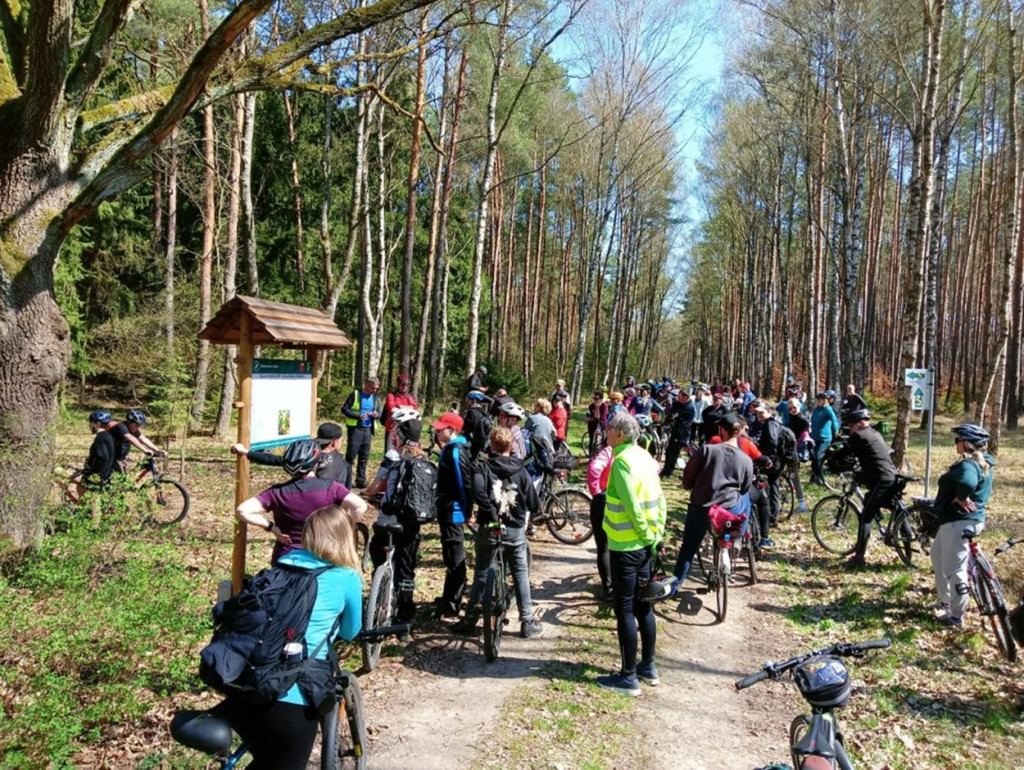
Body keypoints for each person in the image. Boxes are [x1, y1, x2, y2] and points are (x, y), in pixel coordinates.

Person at [229, 505, 362, 770]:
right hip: (292, 697)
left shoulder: (281, 567)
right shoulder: (346, 577)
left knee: (266, 759)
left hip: (245, 685)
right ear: (345, 537)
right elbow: (350, 632)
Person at [596, 412, 667, 697]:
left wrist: (647, 536)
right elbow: (659, 500)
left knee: (624, 609)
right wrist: (656, 536)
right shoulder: (644, 456)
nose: (606, 431)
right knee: (643, 605)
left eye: (610, 428)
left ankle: (628, 677)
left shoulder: (622, 462)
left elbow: (632, 506)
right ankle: (647, 667)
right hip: (646, 544)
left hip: (627, 546)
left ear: (621, 434)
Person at [454, 426, 542, 639]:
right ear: (511, 447)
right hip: (514, 529)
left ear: (490, 446)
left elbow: (477, 491)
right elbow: (533, 503)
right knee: (520, 571)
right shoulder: (521, 472)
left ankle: (470, 618)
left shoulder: (482, 468)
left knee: (482, 571)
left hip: (489, 526)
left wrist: (492, 513)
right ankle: (527, 621)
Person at [235, 438, 367, 566]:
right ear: (315, 463)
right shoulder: (331, 488)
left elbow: (242, 510)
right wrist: (342, 528)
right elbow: (360, 506)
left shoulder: (277, 492)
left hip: (286, 559)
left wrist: (271, 527)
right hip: (323, 557)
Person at [672, 413, 754, 585]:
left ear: (721, 430)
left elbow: (688, 476)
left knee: (688, 548)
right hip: (729, 510)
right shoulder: (746, 459)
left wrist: (688, 486)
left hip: (702, 507)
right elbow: (745, 487)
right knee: (746, 500)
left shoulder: (707, 450)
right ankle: (737, 538)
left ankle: (675, 586)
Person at [364, 410, 429, 624]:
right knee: (406, 567)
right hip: (411, 522)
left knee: (377, 552)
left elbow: (374, 488)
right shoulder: (424, 458)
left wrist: (366, 493)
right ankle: (405, 615)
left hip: (388, 519)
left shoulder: (393, 456)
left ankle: (380, 595)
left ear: (400, 435)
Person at [930, 424, 996, 630]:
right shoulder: (983, 462)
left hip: (959, 522)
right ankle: (945, 600)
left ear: (966, 443)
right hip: (957, 521)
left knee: (955, 568)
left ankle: (956, 615)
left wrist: (961, 497)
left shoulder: (969, 465)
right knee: (937, 555)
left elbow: (967, 482)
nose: (955, 443)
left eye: (957, 440)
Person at [830, 409, 897, 569]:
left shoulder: (859, 436)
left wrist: (833, 459)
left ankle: (859, 558)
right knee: (892, 506)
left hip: (881, 479)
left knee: (865, 516)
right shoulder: (875, 433)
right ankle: (906, 539)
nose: (850, 429)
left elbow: (846, 452)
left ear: (859, 424)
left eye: (851, 426)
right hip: (892, 476)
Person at [432, 412, 474, 618]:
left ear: (452, 430)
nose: (437, 431)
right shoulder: (448, 449)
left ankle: (453, 604)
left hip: (454, 512)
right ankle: (449, 597)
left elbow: (463, 483)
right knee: (449, 556)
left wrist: (467, 511)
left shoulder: (456, 452)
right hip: (446, 509)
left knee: (456, 557)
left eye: (441, 428)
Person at [233, 422, 351, 487]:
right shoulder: (343, 465)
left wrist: (246, 452)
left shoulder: (305, 457)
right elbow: (345, 492)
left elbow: (272, 459)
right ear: (334, 442)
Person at [341, 377, 382, 488]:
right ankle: (346, 481)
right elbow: (344, 409)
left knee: (364, 457)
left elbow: (380, 413)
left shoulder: (375, 398)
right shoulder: (355, 394)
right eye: (373, 388)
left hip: (368, 430)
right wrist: (358, 416)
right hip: (355, 429)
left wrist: (376, 415)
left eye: (376, 389)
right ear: (367, 385)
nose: (374, 391)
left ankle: (360, 481)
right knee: (350, 457)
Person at [586, 443, 614, 600]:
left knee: (603, 547)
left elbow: (594, 468)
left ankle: (608, 588)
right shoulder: (634, 452)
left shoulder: (609, 451)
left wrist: (596, 491)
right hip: (624, 501)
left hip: (604, 500)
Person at [78, 410, 117, 502]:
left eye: (91, 423)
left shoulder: (100, 438)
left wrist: (90, 472)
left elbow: (102, 458)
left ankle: (90, 514)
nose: (89, 426)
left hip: (98, 476)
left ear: (97, 424)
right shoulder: (108, 436)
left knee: (93, 499)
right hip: (107, 474)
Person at [660, 388, 695, 478]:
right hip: (675, 431)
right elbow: (671, 415)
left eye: (680, 396)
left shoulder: (689, 407)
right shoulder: (677, 404)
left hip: (683, 433)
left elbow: (676, 416)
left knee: (678, 452)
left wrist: (673, 416)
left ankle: (669, 472)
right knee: (669, 451)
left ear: (686, 397)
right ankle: (666, 471)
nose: (677, 398)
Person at [809, 392, 841, 484]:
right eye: (817, 399)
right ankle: (813, 476)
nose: (818, 401)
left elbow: (834, 420)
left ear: (824, 401)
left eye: (820, 400)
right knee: (814, 458)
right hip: (814, 437)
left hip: (825, 438)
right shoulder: (815, 410)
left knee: (818, 457)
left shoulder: (828, 409)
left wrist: (836, 430)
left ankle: (820, 478)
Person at [525, 398, 557, 487]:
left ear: (540, 407)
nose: (535, 407)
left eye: (536, 405)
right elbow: (554, 433)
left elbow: (524, 432)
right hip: (549, 452)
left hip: (536, 453)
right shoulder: (548, 420)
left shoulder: (532, 418)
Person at [462, 390, 493, 461]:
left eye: (469, 399)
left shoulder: (471, 412)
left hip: (471, 443)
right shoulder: (485, 412)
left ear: (474, 401)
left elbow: (466, 428)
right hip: (481, 443)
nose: (467, 402)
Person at [586, 391, 608, 455]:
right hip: (592, 425)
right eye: (594, 398)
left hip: (601, 424)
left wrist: (597, 408)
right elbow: (588, 416)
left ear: (601, 399)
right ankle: (590, 455)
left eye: (597, 399)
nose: (595, 400)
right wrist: (591, 418)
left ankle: (601, 454)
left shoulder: (604, 406)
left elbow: (600, 418)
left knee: (602, 440)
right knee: (591, 440)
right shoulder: (591, 406)